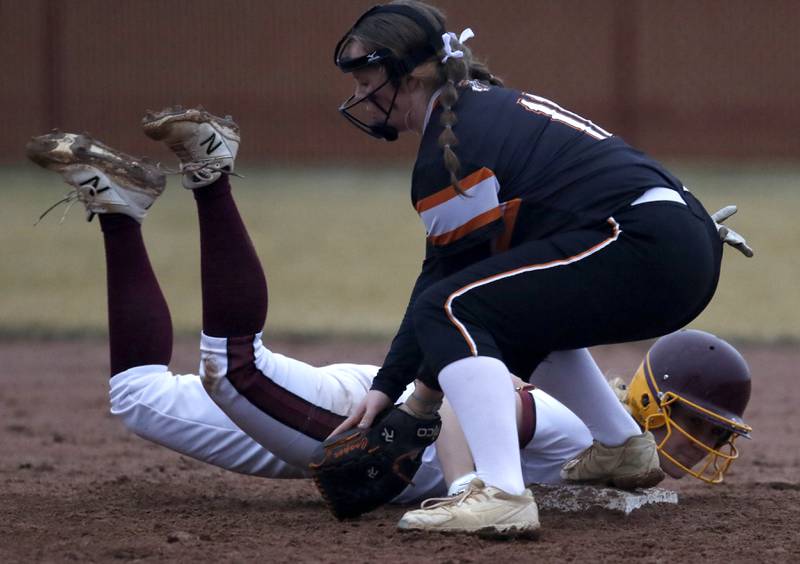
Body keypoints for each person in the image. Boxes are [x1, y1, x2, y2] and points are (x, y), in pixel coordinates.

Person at [26, 113, 752, 518]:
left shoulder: (587, 422)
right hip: (370, 426)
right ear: (651, 403)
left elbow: (535, 340)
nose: (703, 442)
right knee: (232, 367)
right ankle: (212, 175)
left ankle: (120, 211)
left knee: (139, 399)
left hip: (357, 425)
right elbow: (495, 388)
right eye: (700, 422)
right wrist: (458, 468)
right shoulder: (573, 429)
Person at [327, 0, 752, 536]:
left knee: (449, 307)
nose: (360, 91)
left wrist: (404, 397)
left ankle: (501, 492)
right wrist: (399, 387)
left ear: (407, 74)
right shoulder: (482, 109)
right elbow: (479, 285)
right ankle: (622, 447)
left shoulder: (449, 150)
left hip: (643, 244)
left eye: (367, 75)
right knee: (511, 309)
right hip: (677, 245)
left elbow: (441, 288)